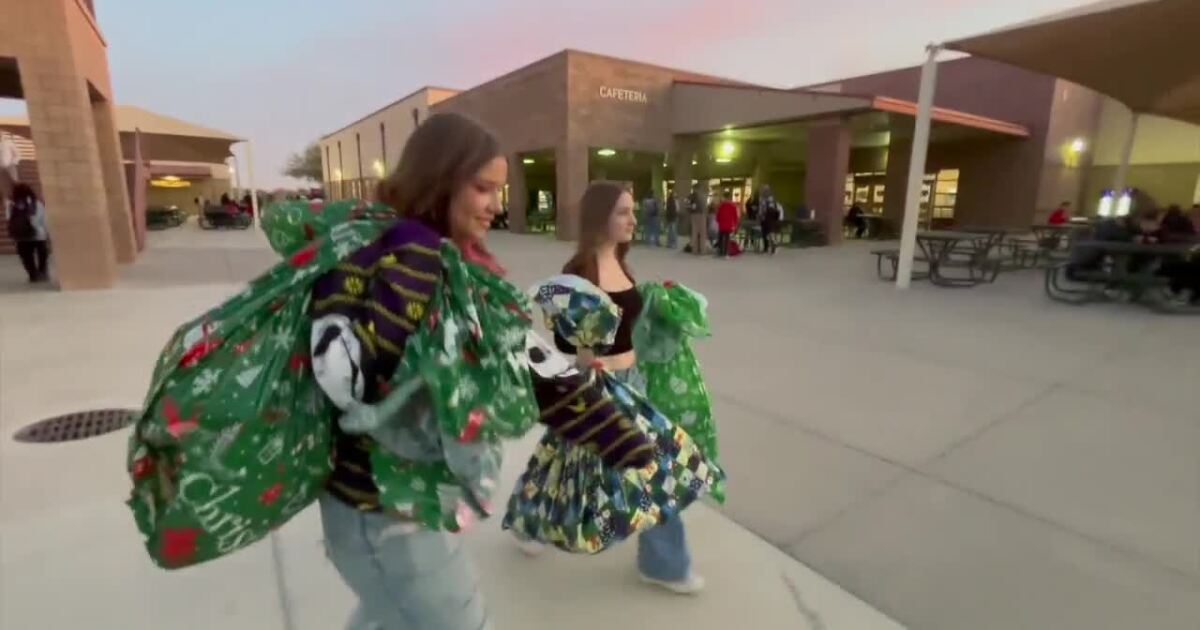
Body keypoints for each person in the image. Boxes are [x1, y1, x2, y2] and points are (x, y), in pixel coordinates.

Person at [307, 113, 638, 628]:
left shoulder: (452, 262)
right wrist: (412, 279)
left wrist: (611, 433)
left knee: (390, 619)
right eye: (483, 188)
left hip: (401, 499)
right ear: (439, 179)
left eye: (499, 190)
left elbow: (518, 358)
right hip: (378, 506)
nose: (495, 205)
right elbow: (350, 380)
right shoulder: (397, 255)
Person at [542, 180, 705, 594]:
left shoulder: (622, 263)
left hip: (635, 383)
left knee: (629, 469)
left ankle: (659, 560)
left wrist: (660, 303)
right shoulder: (575, 274)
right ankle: (664, 565)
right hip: (600, 388)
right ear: (600, 219)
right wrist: (584, 358)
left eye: (633, 211)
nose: (634, 219)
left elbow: (632, 326)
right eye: (623, 212)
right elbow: (565, 341)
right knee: (652, 472)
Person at [5, 183, 50, 283]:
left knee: (26, 256)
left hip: (21, 235)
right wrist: (45, 232)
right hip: (37, 234)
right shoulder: (36, 203)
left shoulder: (11, 204)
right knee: (42, 253)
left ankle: (32, 274)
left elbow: (9, 218)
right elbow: (42, 218)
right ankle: (42, 271)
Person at [758, 185, 782, 254]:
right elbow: (778, 210)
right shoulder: (773, 200)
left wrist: (760, 216)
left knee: (766, 233)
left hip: (766, 218)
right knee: (769, 232)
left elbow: (762, 210)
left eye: (764, 190)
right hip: (771, 219)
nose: (763, 192)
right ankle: (771, 245)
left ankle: (768, 246)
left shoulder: (763, 200)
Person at [715, 190, 739, 258]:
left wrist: (718, 221)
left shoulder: (721, 205)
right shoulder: (733, 206)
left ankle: (720, 251)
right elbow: (735, 216)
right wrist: (735, 224)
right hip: (729, 225)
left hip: (722, 224)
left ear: (724, 197)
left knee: (720, 237)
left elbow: (718, 214)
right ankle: (726, 253)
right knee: (727, 239)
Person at [688, 186, 708, 255]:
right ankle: (702, 250)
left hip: (693, 215)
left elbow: (687, 205)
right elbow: (704, 207)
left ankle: (694, 250)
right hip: (701, 215)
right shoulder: (701, 196)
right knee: (702, 233)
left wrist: (691, 211)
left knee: (695, 231)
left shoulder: (690, 196)